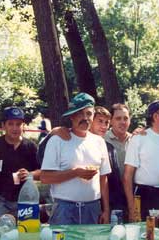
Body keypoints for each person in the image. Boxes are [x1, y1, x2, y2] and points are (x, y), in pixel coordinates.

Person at [40, 93, 111, 225]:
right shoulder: (58, 140)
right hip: (64, 209)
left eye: (88, 114)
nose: (85, 118)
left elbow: (103, 178)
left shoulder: (99, 142)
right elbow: (45, 177)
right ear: (72, 116)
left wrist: (106, 210)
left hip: (92, 208)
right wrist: (76, 172)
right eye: (79, 114)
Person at [105, 103, 132, 179]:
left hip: (133, 188)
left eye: (126, 118)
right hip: (111, 188)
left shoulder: (135, 140)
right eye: (118, 118)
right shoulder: (102, 139)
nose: (123, 122)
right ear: (111, 121)